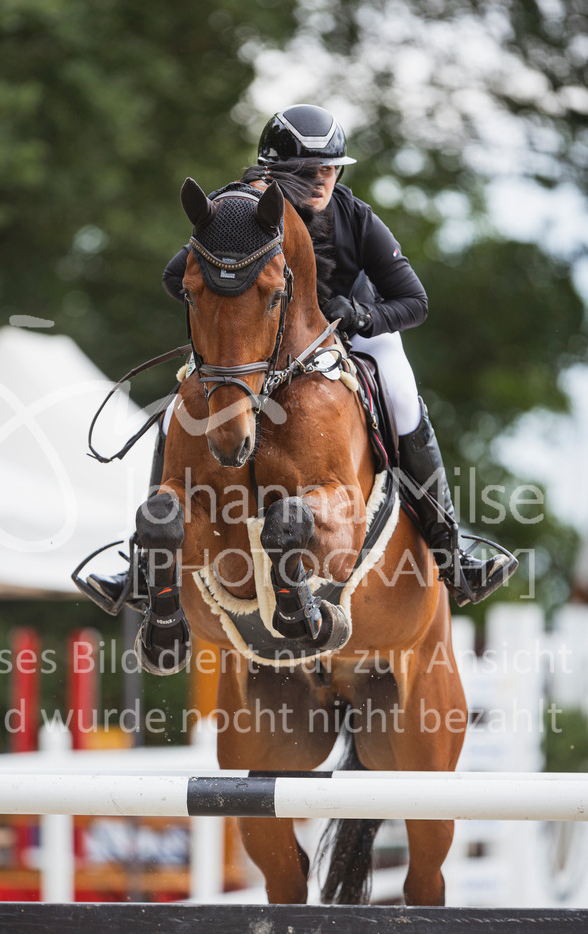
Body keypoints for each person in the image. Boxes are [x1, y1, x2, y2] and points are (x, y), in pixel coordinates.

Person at [89, 104, 517, 610]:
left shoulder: (354, 217)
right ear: (271, 172)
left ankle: (450, 552)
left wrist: (358, 315)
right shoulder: (237, 213)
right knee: (173, 417)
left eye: (331, 169)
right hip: (252, 346)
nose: (322, 181)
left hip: (350, 334)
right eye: (306, 172)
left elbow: (413, 302)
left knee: (402, 397)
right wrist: (228, 317)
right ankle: (143, 568)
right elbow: (173, 277)